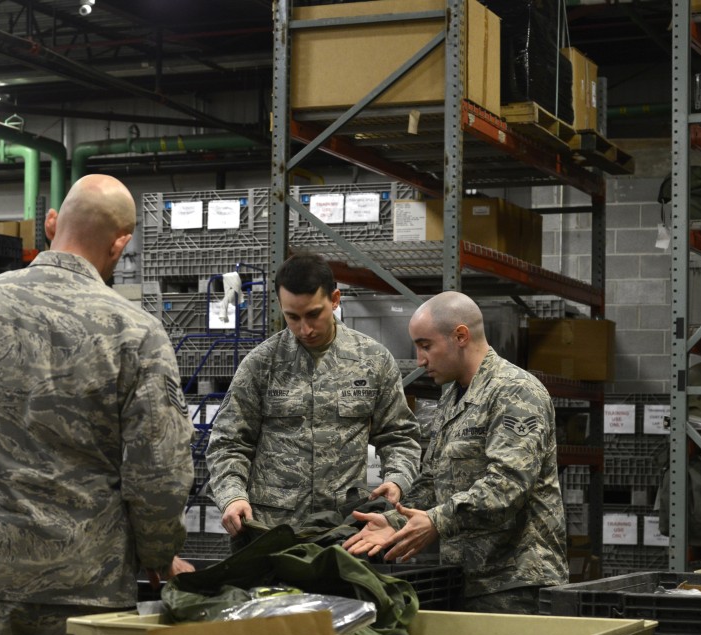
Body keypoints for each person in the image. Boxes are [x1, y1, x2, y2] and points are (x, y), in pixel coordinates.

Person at [0, 173, 193, 635]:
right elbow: (160, 474)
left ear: (52, 222)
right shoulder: (137, 334)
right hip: (84, 586)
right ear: (121, 243)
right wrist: (158, 554)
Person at [343, 291, 569, 614]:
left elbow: (507, 486)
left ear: (460, 336)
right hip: (466, 580)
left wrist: (436, 521)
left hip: (516, 585)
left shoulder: (516, 391)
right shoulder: (451, 399)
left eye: (425, 346)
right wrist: (393, 521)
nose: (420, 360)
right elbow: (433, 481)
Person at [206, 252, 421, 536]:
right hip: (271, 531)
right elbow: (228, 443)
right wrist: (232, 496)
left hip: (345, 527)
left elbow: (400, 437)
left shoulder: (372, 360)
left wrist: (396, 480)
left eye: (313, 314)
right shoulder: (262, 364)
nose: (304, 329)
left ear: (334, 299)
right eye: (292, 317)